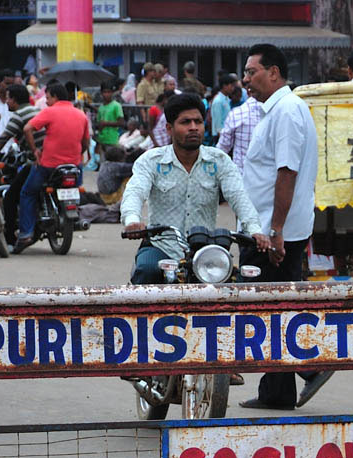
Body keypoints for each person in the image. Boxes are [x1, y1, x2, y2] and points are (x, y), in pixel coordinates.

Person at [239, 43, 327, 411]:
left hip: (274, 231)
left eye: (251, 72)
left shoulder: (287, 111)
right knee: (271, 306)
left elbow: (286, 172)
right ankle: (275, 393)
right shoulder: (275, 110)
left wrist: (274, 229)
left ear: (273, 72)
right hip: (267, 225)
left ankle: (310, 366)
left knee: (263, 307)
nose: (245, 80)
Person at [120, 93, 268, 280]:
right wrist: (132, 221)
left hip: (206, 250)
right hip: (161, 247)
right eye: (185, 122)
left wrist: (255, 230)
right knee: (147, 271)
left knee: (236, 283)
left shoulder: (219, 160)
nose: (193, 128)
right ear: (169, 128)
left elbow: (239, 197)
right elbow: (135, 191)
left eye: (198, 122)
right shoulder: (151, 160)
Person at [13, 80, 90, 254]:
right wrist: (77, 154)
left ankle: (26, 233)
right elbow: (85, 142)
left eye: (47, 97)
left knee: (27, 192)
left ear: (55, 97)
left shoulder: (50, 111)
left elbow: (27, 128)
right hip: (74, 167)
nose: (46, 101)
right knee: (77, 189)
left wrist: (35, 151)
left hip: (49, 165)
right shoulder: (81, 115)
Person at [0, 83, 41, 240]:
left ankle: (10, 238)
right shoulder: (36, 110)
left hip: (35, 161)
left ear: (14, 99)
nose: (6, 102)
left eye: (8, 98)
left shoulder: (18, 116)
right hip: (48, 158)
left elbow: (3, 139)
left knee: (11, 196)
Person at [216, 93, 262, 177]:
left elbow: (222, 149)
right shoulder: (277, 113)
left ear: (248, 92)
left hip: (241, 175)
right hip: (269, 179)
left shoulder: (237, 113)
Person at [94, 82, 125, 160]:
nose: (106, 94)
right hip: (102, 140)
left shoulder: (116, 106)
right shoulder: (101, 107)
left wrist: (106, 123)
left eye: (109, 92)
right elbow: (98, 122)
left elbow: (121, 122)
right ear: (101, 93)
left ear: (112, 93)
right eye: (104, 92)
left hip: (112, 139)